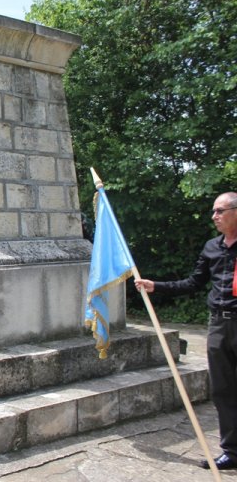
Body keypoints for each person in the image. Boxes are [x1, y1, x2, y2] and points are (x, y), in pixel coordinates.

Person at [135, 192, 237, 471]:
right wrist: (157, 286)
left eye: (220, 211)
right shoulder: (212, 248)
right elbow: (194, 282)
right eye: (213, 211)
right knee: (223, 389)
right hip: (219, 324)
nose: (214, 216)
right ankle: (232, 451)